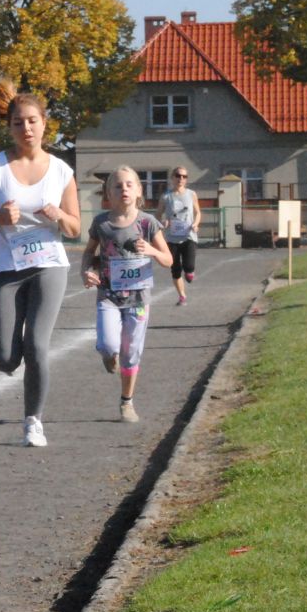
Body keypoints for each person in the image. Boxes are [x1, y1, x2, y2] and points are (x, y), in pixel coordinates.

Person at [0, 79, 82, 448]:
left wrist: (59, 214)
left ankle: (33, 421)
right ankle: (14, 372)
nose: (26, 128)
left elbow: (75, 228)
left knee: (37, 346)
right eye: (18, 123)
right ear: (9, 127)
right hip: (5, 268)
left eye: (32, 121)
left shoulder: (61, 171)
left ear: (44, 123)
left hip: (49, 266)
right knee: (5, 358)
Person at [81, 167, 173, 423]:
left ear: (139, 191)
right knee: (109, 345)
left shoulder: (147, 223)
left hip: (138, 299)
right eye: (118, 186)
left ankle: (126, 402)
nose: (124, 189)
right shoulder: (101, 223)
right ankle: (108, 355)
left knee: (131, 352)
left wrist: (152, 251)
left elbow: (168, 259)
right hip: (108, 296)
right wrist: (86, 271)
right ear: (108, 193)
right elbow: (89, 253)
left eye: (130, 185)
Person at [158, 166, 201, 306]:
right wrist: (163, 222)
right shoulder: (166, 196)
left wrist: (195, 224)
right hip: (172, 238)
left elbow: (198, 212)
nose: (181, 179)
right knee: (175, 269)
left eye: (184, 176)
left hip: (188, 236)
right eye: (178, 175)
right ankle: (182, 295)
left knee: (189, 266)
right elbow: (158, 215)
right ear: (172, 178)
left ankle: (190, 272)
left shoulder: (191, 194)